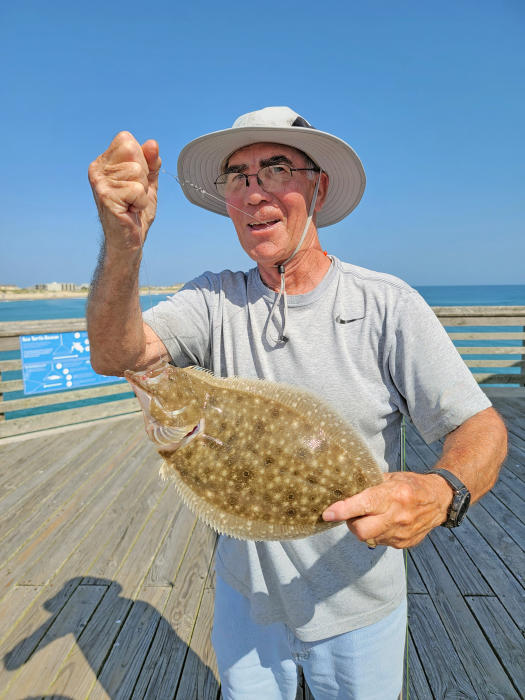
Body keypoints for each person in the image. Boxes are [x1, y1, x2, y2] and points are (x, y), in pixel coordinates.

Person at [87, 106, 507, 699]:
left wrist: (443, 492)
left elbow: (481, 426)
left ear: (318, 185)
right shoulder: (212, 300)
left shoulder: (387, 305)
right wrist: (122, 242)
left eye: (276, 168)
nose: (254, 190)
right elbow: (116, 354)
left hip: (358, 609)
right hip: (246, 605)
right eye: (237, 176)